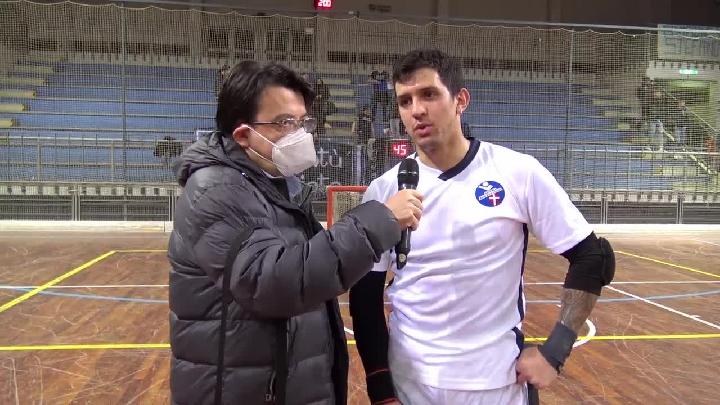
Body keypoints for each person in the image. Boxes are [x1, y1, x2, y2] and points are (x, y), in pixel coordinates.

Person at [349, 49, 615, 405]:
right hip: (410, 384)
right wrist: (382, 391)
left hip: (496, 385)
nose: (417, 110)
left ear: (460, 100)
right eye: (405, 101)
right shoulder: (384, 190)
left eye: (429, 94)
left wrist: (555, 352)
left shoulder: (517, 172)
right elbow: (365, 298)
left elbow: (593, 258)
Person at [167, 60, 423, 405]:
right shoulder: (216, 190)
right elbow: (274, 282)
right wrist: (379, 221)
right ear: (243, 135)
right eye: (285, 123)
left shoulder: (275, 186)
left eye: (303, 122)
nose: (300, 134)